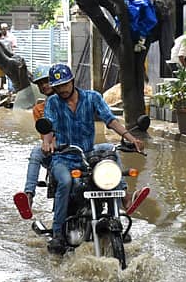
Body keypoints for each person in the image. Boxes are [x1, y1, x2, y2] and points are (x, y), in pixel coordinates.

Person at [40, 63, 144, 254]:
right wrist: (47, 142)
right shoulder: (53, 103)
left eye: (65, 84)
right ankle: (57, 234)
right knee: (64, 182)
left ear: (72, 81)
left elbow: (110, 119)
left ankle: (124, 198)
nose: (62, 89)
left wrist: (131, 139)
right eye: (58, 86)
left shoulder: (92, 97)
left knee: (110, 151)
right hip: (64, 157)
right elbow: (48, 127)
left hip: (87, 154)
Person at [13, 65, 55, 220]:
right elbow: (45, 132)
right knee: (36, 152)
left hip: (78, 146)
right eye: (40, 84)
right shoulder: (40, 109)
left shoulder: (76, 100)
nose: (44, 86)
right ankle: (29, 196)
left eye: (47, 82)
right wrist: (49, 142)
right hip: (54, 149)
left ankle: (122, 198)